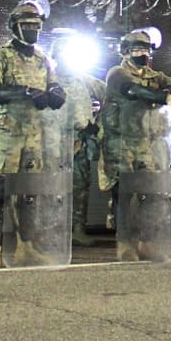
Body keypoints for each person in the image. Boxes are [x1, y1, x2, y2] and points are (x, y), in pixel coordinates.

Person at [0, 0, 68, 269]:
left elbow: (56, 86)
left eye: (36, 25)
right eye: (26, 24)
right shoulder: (1, 57)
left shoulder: (43, 60)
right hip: (8, 135)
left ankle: (26, 247)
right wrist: (25, 92)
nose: (32, 30)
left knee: (30, 193)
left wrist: (56, 96)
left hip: (34, 134)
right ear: (14, 26)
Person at [102, 28, 171, 262]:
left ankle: (146, 242)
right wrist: (165, 97)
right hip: (121, 143)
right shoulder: (117, 73)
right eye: (138, 50)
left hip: (148, 142)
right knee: (125, 194)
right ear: (127, 52)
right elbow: (134, 90)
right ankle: (126, 243)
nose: (143, 55)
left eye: (146, 50)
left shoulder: (154, 75)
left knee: (150, 192)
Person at [50, 33, 107, 247]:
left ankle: (77, 228)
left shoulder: (84, 80)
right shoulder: (48, 79)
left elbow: (109, 95)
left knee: (80, 186)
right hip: (52, 142)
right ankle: (52, 229)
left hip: (78, 142)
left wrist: (97, 124)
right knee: (52, 186)